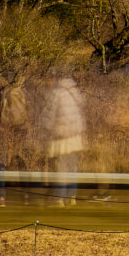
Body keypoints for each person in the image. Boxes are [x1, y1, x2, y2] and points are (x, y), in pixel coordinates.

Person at [39, 72, 85, 206]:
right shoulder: (74, 91)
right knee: (72, 167)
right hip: (75, 137)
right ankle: (72, 197)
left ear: (54, 79)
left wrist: (46, 129)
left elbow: (48, 115)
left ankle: (59, 198)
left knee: (60, 168)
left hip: (61, 137)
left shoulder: (56, 93)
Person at [0, 77, 28, 207]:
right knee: (20, 163)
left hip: (5, 130)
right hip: (19, 130)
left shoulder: (4, 93)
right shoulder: (21, 92)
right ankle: (25, 195)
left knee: (1, 163)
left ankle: (2, 197)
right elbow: (25, 113)